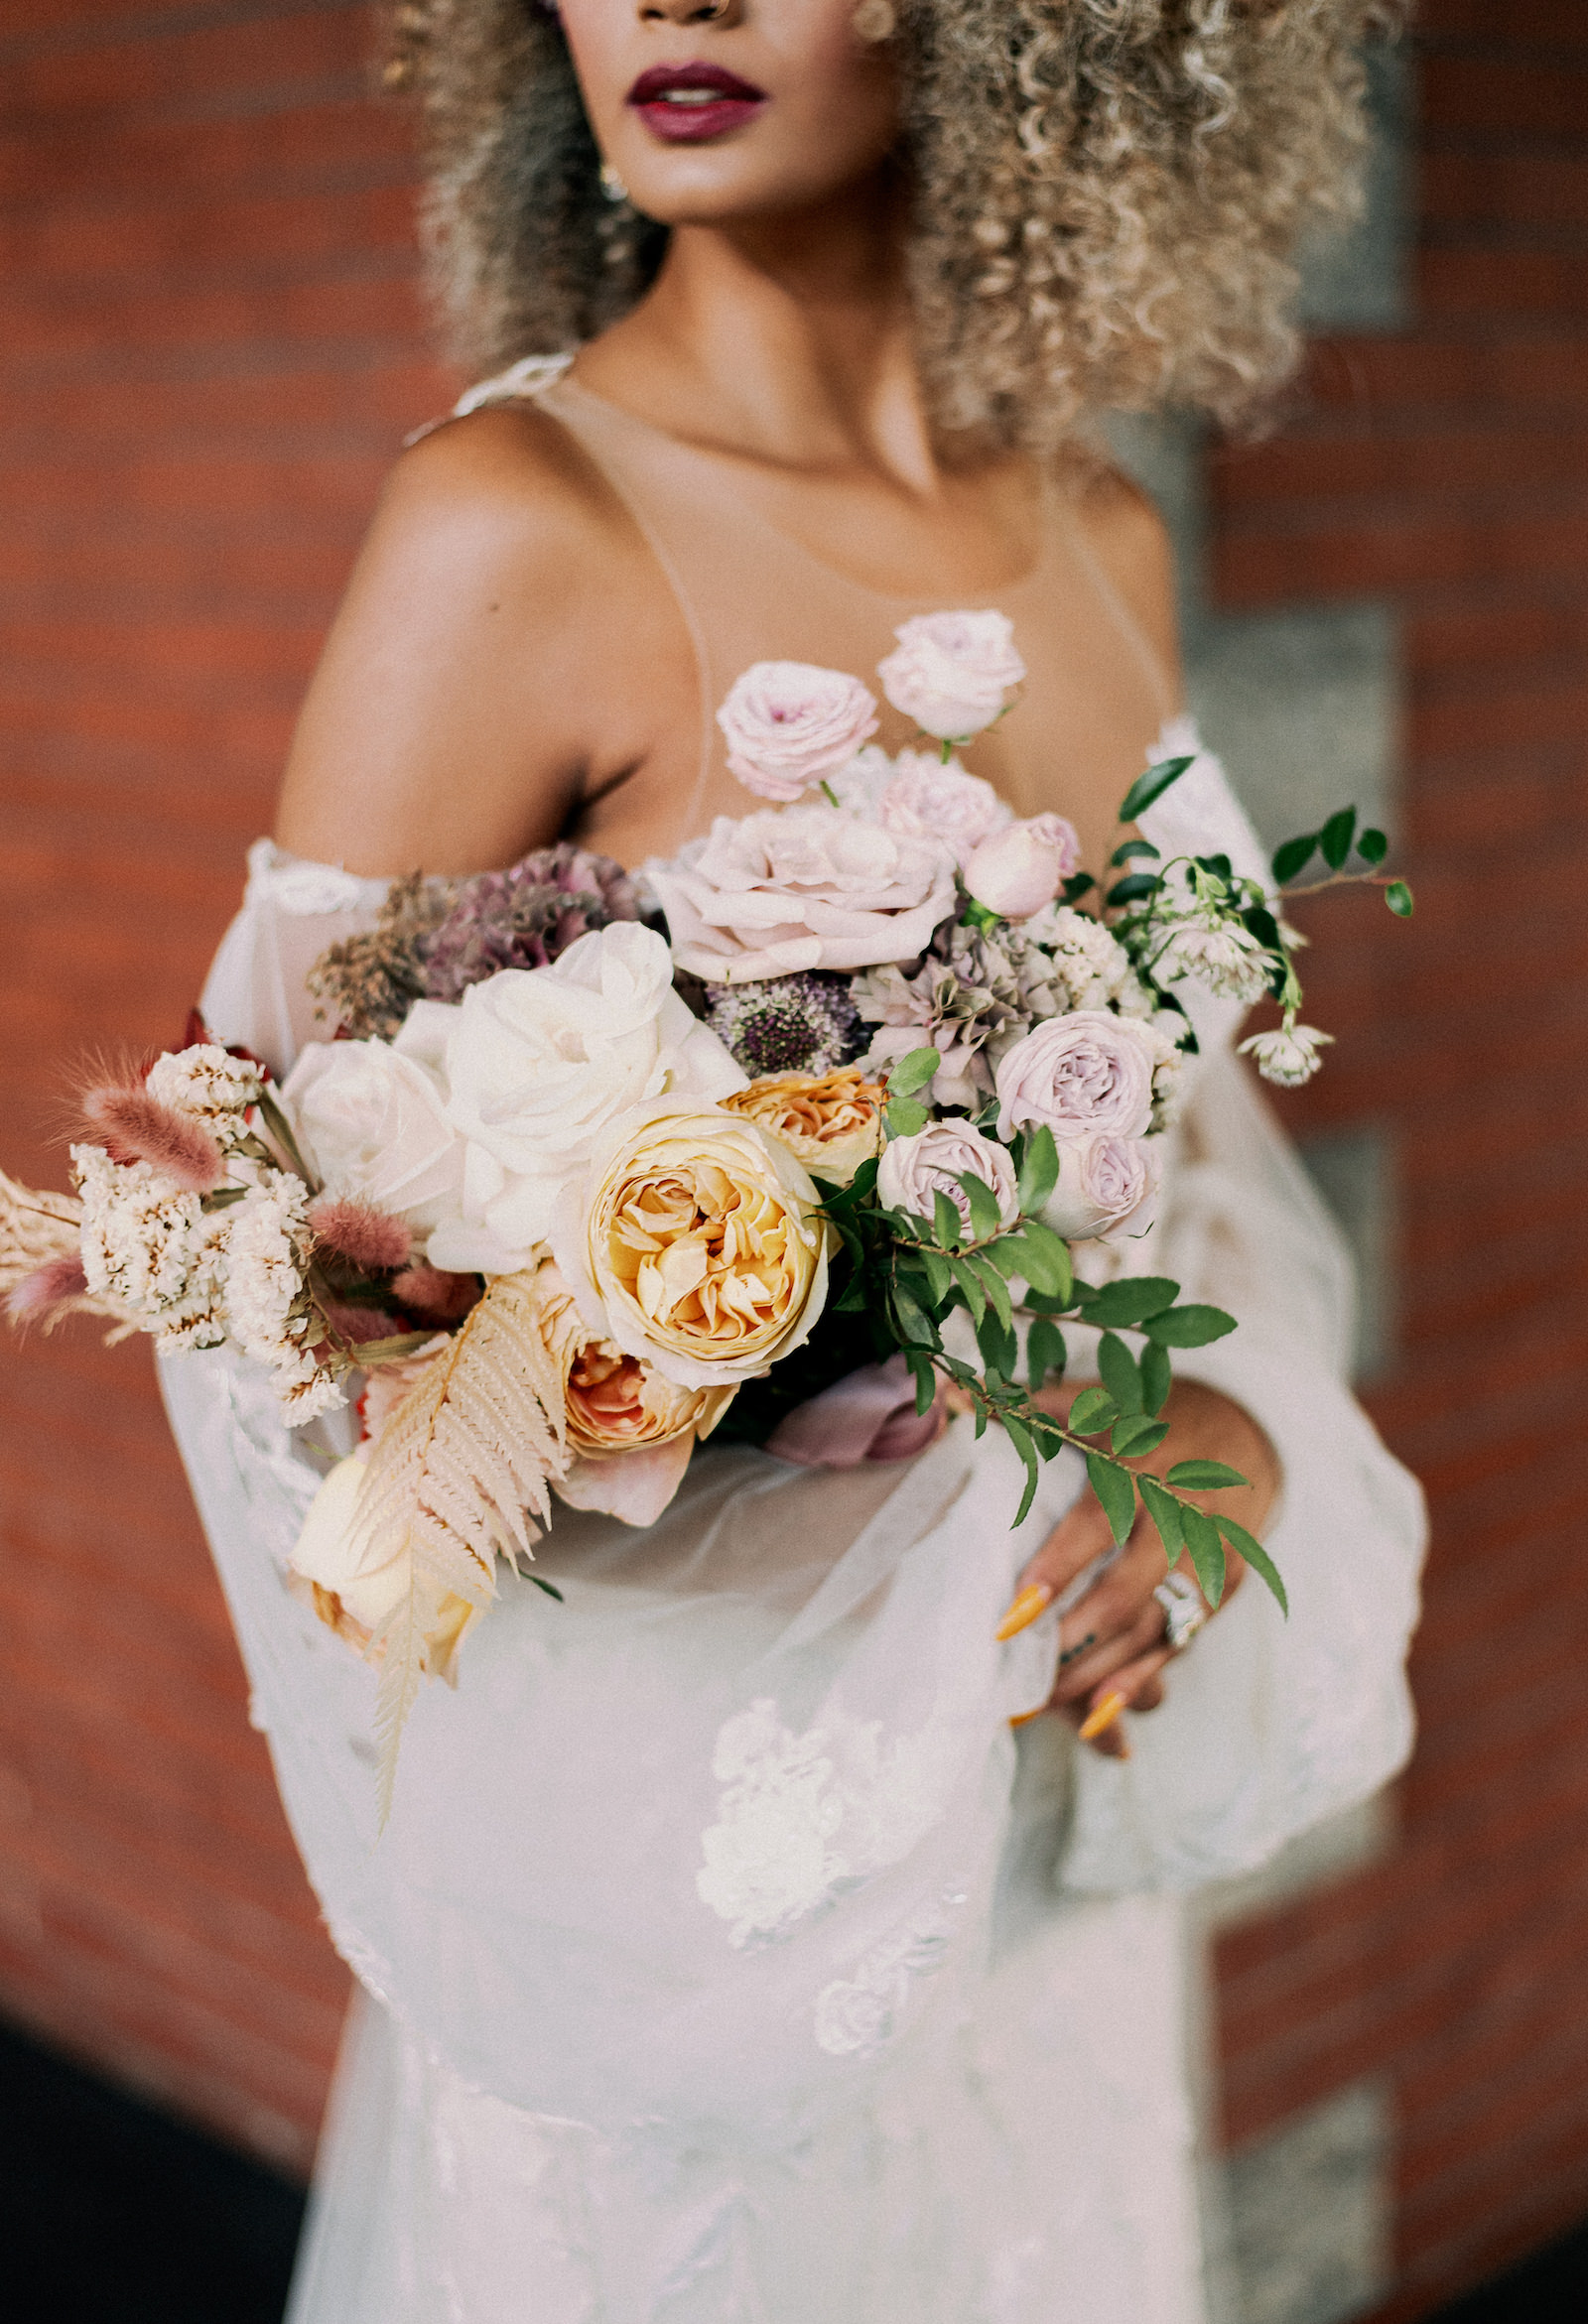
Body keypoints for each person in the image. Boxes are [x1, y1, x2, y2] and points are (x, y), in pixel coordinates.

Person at [158, 4, 1424, 2317]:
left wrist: (1224, 1432)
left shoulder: (1103, 532)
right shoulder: (509, 524)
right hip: (698, 1867)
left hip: (1030, 1843)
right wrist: (688, 1364)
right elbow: (281, 1297)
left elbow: (1189, 1154)